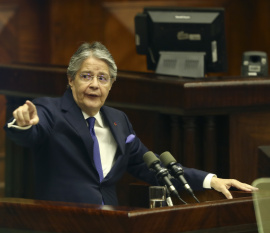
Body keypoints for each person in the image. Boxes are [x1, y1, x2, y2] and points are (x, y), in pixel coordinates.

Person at [4, 42, 257, 205]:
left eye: (103, 78)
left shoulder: (118, 121)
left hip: (112, 230)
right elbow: (29, 133)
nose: (94, 84)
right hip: (65, 231)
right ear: (71, 80)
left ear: (111, 84)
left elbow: (152, 165)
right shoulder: (50, 110)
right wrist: (24, 123)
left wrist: (210, 180)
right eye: (86, 76)